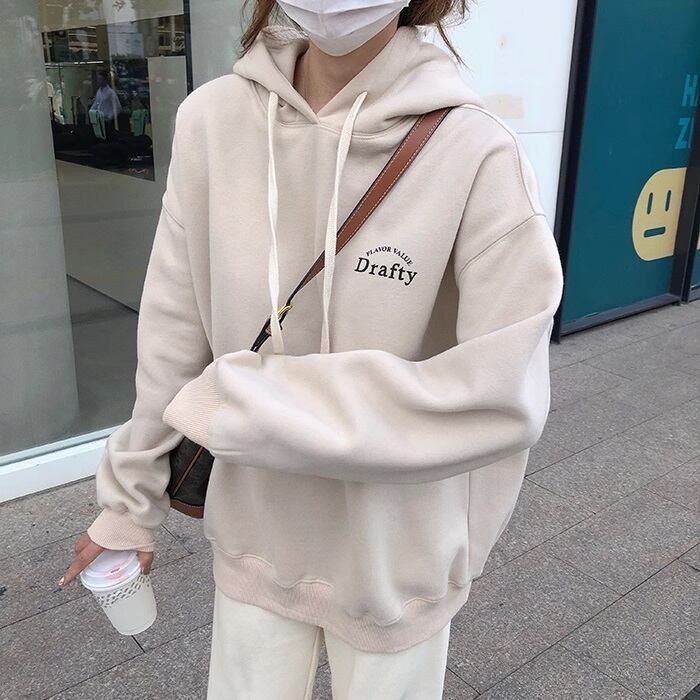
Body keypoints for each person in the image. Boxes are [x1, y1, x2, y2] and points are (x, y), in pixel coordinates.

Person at [59, 1, 564, 697]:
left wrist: (253, 403)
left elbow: (503, 393)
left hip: (397, 555)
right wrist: (128, 502)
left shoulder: (475, 150)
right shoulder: (214, 121)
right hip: (256, 535)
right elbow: (174, 330)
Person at [89, 69, 120, 139]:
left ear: (105, 80)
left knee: (107, 138)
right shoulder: (99, 92)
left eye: (101, 79)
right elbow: (96, 104)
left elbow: (118, 107)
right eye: (98, 79)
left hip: (107, 121)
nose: (99, 81)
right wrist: (91, 112)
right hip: (98, 120)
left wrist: (110, 117)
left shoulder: (110, 93)